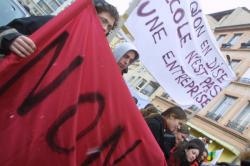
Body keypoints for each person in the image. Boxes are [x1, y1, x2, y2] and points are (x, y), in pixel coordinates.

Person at [0, 0, 119, 58]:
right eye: (103, 20)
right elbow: (5, 30)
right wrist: (11, 39)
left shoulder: (87, 55)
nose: (104, 28)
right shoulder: (53, 24)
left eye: (109, 27)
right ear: (89, 15)